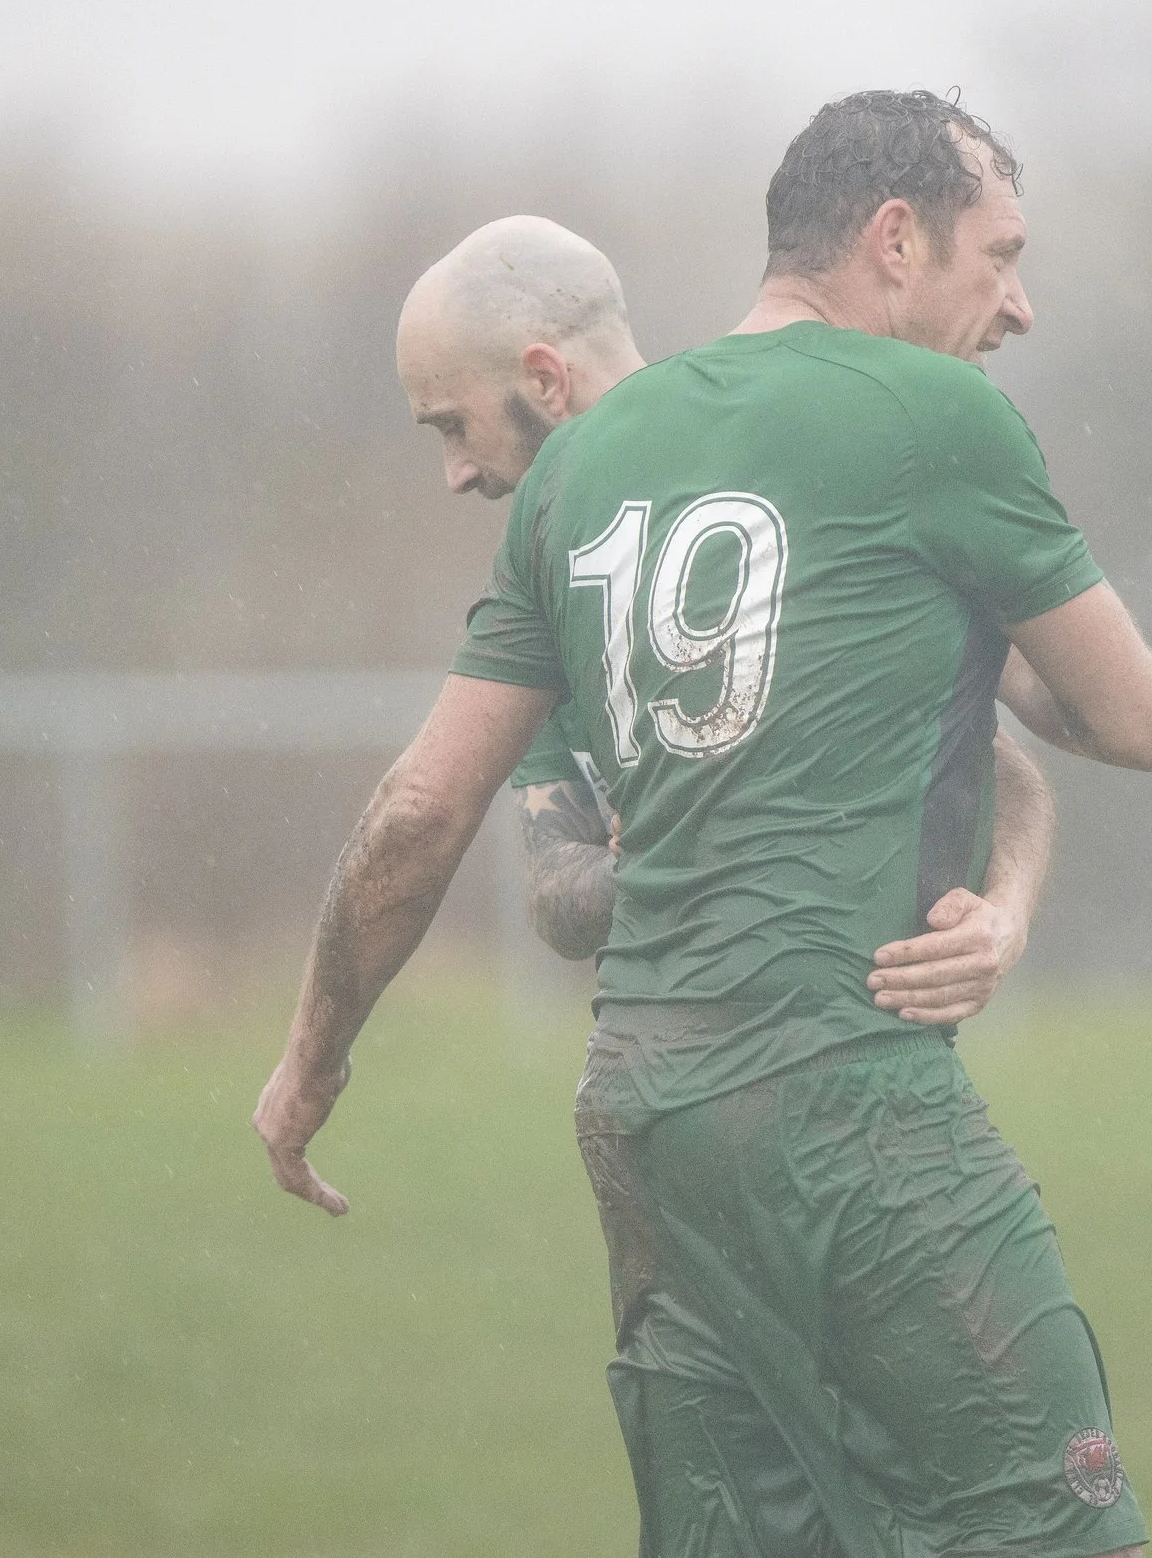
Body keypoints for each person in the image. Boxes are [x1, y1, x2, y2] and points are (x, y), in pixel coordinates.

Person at [256, 90, 1152, 1558]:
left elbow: (424, 803)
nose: (1018, 305)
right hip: (843, 1101)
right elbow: (1136, 723)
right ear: (894, 239)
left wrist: (312, 1057)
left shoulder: (574, 481)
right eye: (997, 255)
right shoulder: (935, 422)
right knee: (1057, 1532)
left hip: (647, 1114)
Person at [394, 214, 1059, 1019]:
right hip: (668, 1062)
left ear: (544, 379)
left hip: (861, 1045)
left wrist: (1005, 915)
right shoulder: (538, 584)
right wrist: (659, 860)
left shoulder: (786, 460)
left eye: (454, 426)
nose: (454, 474)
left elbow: (992, 737)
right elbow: (552, 891)